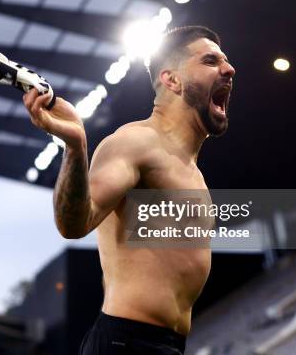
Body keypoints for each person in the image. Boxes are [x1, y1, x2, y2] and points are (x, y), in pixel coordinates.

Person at [23, 26, 236, 354]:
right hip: (127, 342)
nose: (229, 69)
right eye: (210, 61)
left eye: (225, 61)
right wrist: (76, 146)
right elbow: (74, 223)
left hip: (162, 344)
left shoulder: (192, 174)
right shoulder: (137, 142)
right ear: (172, 80)